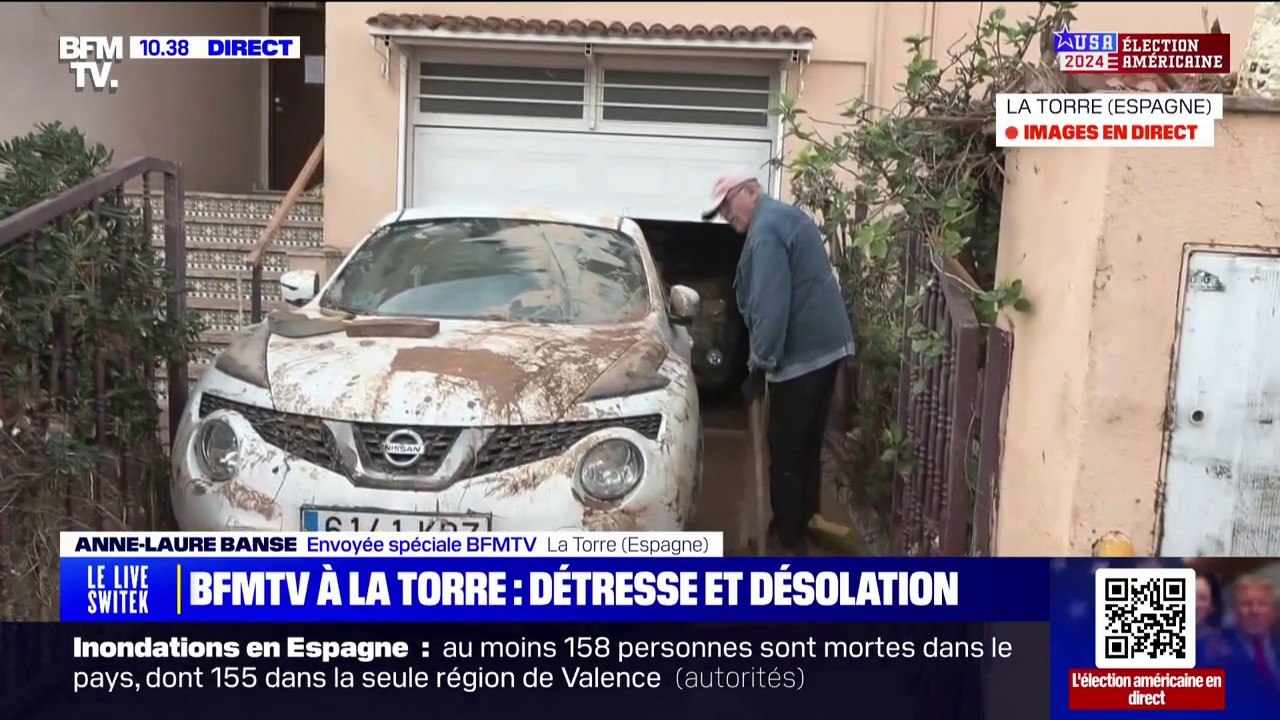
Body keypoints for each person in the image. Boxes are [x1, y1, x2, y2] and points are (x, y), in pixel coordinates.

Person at [700, 171, 856, 555]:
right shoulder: (782, 216)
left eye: (727, 206)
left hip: (802, 358)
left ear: (751, 192)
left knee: (785, 453)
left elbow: (770, 307)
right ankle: (804, 522)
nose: (725, 216)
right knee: (806, 448)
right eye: (720, 211)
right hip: (826, 349)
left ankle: (786, 541)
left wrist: (760, 364)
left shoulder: (766, 231)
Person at [1224, 574, 1280, 698]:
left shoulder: (1277, 646)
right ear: (1234, 612)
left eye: (1262, 604)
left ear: (1274, 613)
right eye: (1246, 604)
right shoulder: (1215, 652)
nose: (1254, 611)